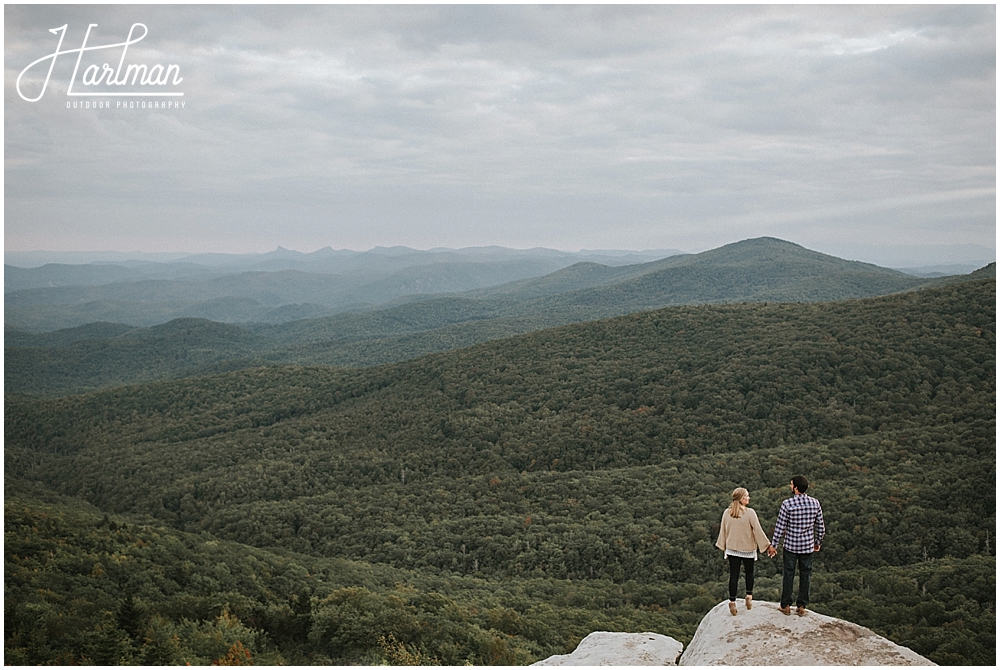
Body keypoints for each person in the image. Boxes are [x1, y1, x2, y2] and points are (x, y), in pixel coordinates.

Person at [767, 475, 825, 616]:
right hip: (807, 547)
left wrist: (774, 545)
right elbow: (821, 527)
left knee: (789, 574)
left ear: (796, 488)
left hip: (791, 546)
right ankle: (801, 606)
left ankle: (786, 605)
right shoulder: (815, 503)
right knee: (806, 575)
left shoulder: (787, 504)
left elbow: (780, 527)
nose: (790, 486)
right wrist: (817, 543)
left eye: (791, 484)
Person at [715, 487, 774, 616]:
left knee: (734, 575)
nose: (749, 498)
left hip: (732, 548)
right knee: (749, 572)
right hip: (748, 548)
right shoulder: (750, 513)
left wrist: (723, 545)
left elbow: (723, 531)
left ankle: (732, 601)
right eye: (747, 496)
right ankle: (749, 596)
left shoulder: (727, 512)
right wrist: (768, 545)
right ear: (741, 499)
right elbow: (758, 530)